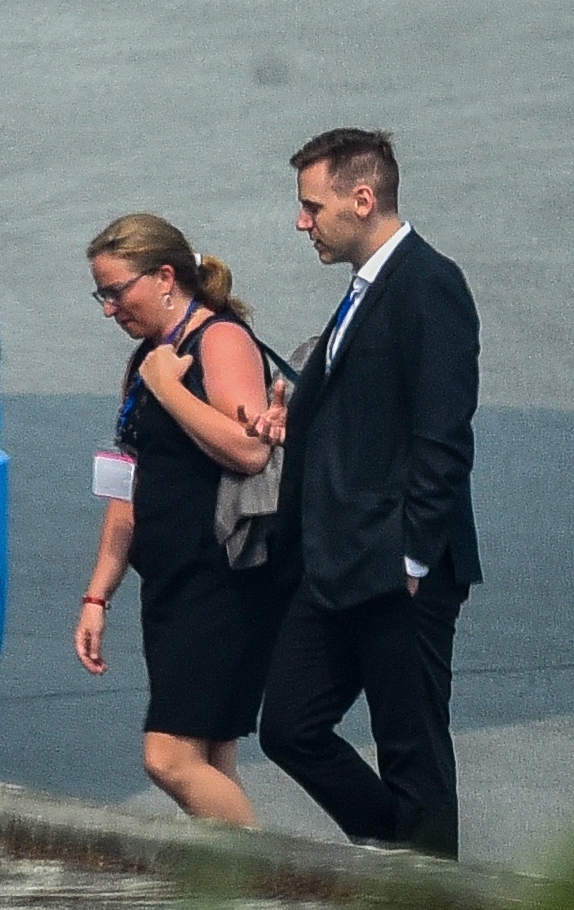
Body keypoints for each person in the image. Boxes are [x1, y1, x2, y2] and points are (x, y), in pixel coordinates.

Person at [246, 129, 481, 859]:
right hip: (336, 564)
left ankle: (430, 881)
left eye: (311, 206)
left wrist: (412, 558)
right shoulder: (363, 290)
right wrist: (296, 413)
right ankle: (396, 852)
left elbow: (443, 434)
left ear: (361, 197)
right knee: (287, 724)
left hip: (394, 565)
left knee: (410, 747)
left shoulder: (428, 283)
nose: (300, 221)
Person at [76, 214, 289, 828]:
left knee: (167, 758)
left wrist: (168, 389)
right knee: (208, 757)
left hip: (220, 579)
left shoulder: (218, 340)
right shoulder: (150, 359)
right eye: (102, 294)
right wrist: (99, 593)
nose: (110, 308)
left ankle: (272, 885)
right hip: (170, 583)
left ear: (165, 276)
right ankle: (234, 889)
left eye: (118, 291)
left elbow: (249, 449)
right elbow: (126, 484)